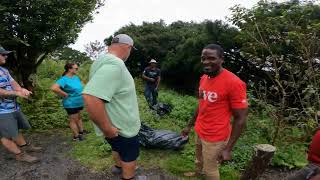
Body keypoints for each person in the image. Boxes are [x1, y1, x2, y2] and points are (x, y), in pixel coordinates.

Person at [181, 44, 248, 180]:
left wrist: (228, 149)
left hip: (216, 136)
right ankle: (198, 173)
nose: (206, 62)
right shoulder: (204, 78)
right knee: (199, 159)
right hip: (200, 130)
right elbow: (201, 105)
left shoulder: (234, 82)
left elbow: (240, 118)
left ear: (221, 59)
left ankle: (205, 174)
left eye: (211, 58)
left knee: (210, 170)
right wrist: (189, 125)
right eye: (203, 58)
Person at [82, 34, 141, 180]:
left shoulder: (99, 61)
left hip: (114, 123)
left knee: (117, 147)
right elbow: (91, 96)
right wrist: (107, 128)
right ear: (128, 47)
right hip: (122, 126)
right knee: (129, 154)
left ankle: (118, 167)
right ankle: (128, 176)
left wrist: (107, 128)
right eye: (131, 50)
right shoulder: (116, 64)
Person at [0, 46, 42, 163]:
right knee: (5, 136)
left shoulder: (4, 70)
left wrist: (21, 90)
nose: (6, 56)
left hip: (13, 107)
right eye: (3, 54)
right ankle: (19, 154)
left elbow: (13, 83)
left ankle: (25, 147)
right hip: (2, 112)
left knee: (16, 130)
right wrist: (17, 93)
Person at [51, 63, 89, 141]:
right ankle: (76, 137)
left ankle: (81, 131)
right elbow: (54, 88)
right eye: (76, 68)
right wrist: (64, 93)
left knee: (78, 117)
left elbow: (80, 86)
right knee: (73, 119)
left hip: (79, 101)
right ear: (70, 69)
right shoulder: (64, 79)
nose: (77, 70)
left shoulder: (76, 78)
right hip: (71, 103)